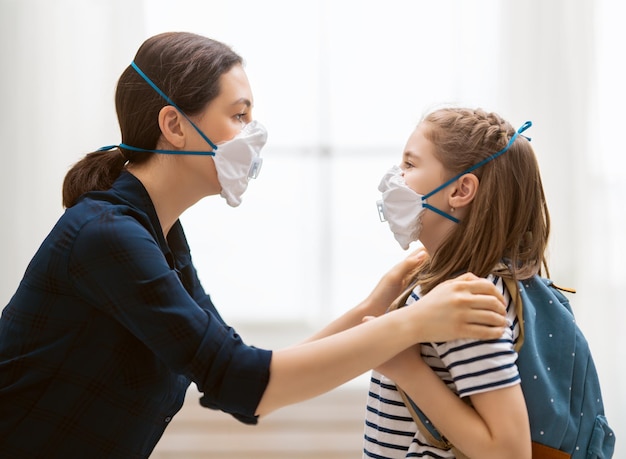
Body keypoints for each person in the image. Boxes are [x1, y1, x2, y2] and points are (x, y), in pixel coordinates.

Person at [0, 33, 508, 459]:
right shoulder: (108, 235)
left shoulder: (161, 235)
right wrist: (414, 323)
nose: (254, 134)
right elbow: (243, 382)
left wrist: (373, 308)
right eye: (239, 115)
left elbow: (243, 382)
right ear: (174, 125)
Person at [364, 107, 544, 458]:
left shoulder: (464, 299)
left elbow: (510, 452)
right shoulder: (458, 284)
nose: (395, 177)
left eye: (410, 165)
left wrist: (406, 367)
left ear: (461, 191)